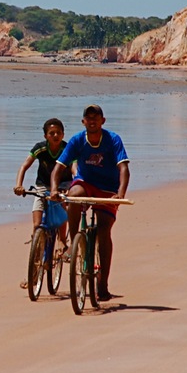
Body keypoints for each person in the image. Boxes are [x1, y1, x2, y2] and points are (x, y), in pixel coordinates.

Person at [50, 105, 130, 302]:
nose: (92, 121)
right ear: (83, 121)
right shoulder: (78, 140)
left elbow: (124, 169)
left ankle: (103, 285)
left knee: (104, 230)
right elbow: (58, 168)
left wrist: (119, 194)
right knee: (74, 194)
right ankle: (77, 240)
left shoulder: (113, 139)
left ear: (103, 121)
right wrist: (53, 189)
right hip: (86, 184)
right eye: (88, 118)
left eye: (96, 118)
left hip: (108, 189)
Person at [14, 118, 73, 289]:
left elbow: (75, 168)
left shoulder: (66, 148)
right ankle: (32, 275)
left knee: (62, 206)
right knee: (37, 227)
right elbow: (25, 166)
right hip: (42, 186)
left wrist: (73, 185)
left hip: (63, 185)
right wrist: (19, 185)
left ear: (63, 134)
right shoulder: (40, 148)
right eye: (51, 133)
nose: (55, 136)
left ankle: (62, 240)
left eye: (58, 133)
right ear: (45, 135)